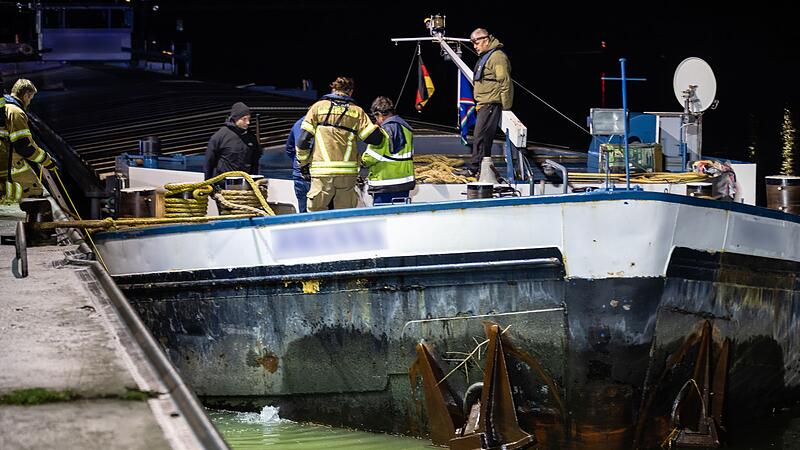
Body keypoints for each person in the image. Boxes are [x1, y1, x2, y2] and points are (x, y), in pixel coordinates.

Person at [295, 77, 385, 212]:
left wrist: (303, 164)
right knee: (344, 214)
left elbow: (303, 141)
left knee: (316, 214)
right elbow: (375, 139)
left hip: (322, 173)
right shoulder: (357, 112)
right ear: (351, 92)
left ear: (333, 89)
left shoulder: (317, 108)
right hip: (347, 174)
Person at [457, 28, 513, 177]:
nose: (475, 46)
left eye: (476, 43)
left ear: (485, 40)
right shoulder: (487, 56)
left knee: (480, 136)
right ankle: (482, 168)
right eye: (473, 43)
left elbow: (504, 82)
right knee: (481, 136)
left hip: (491, 103)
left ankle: (473, 168)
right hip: (483, 104)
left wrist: (505, 106)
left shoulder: (497, 57)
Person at [1, 79, 57, 203]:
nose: (29, 101)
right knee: (34, 190)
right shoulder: (16, 112)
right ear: (26, 95)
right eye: (30, 98)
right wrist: (47, 161)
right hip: (9, 160)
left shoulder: (5, 106)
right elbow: (24, 146)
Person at [361, 96, 415, 205]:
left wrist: (361, 160)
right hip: (405, 183)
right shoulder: (407, 129)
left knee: (383, 214)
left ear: (379, 115)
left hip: (384, 184)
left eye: (375, 117)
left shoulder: (382, 131)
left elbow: (370, 158)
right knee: (400, 213)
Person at [203, 102, 261, 180]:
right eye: (244, 119)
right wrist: (208, 182)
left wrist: (254, 181)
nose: (248, 122)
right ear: (236, 118)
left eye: (249, 119)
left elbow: (255, 162)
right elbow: (209, 162)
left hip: (245, 182)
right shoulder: (220, 136)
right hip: (222, 182)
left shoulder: (251, 138)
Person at [284, 116, 311, 212]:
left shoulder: (298, 124)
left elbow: (289, 149)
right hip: (315, 176)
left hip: (299, 176)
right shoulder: (320, 126)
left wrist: (297, 162)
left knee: (303, 211)